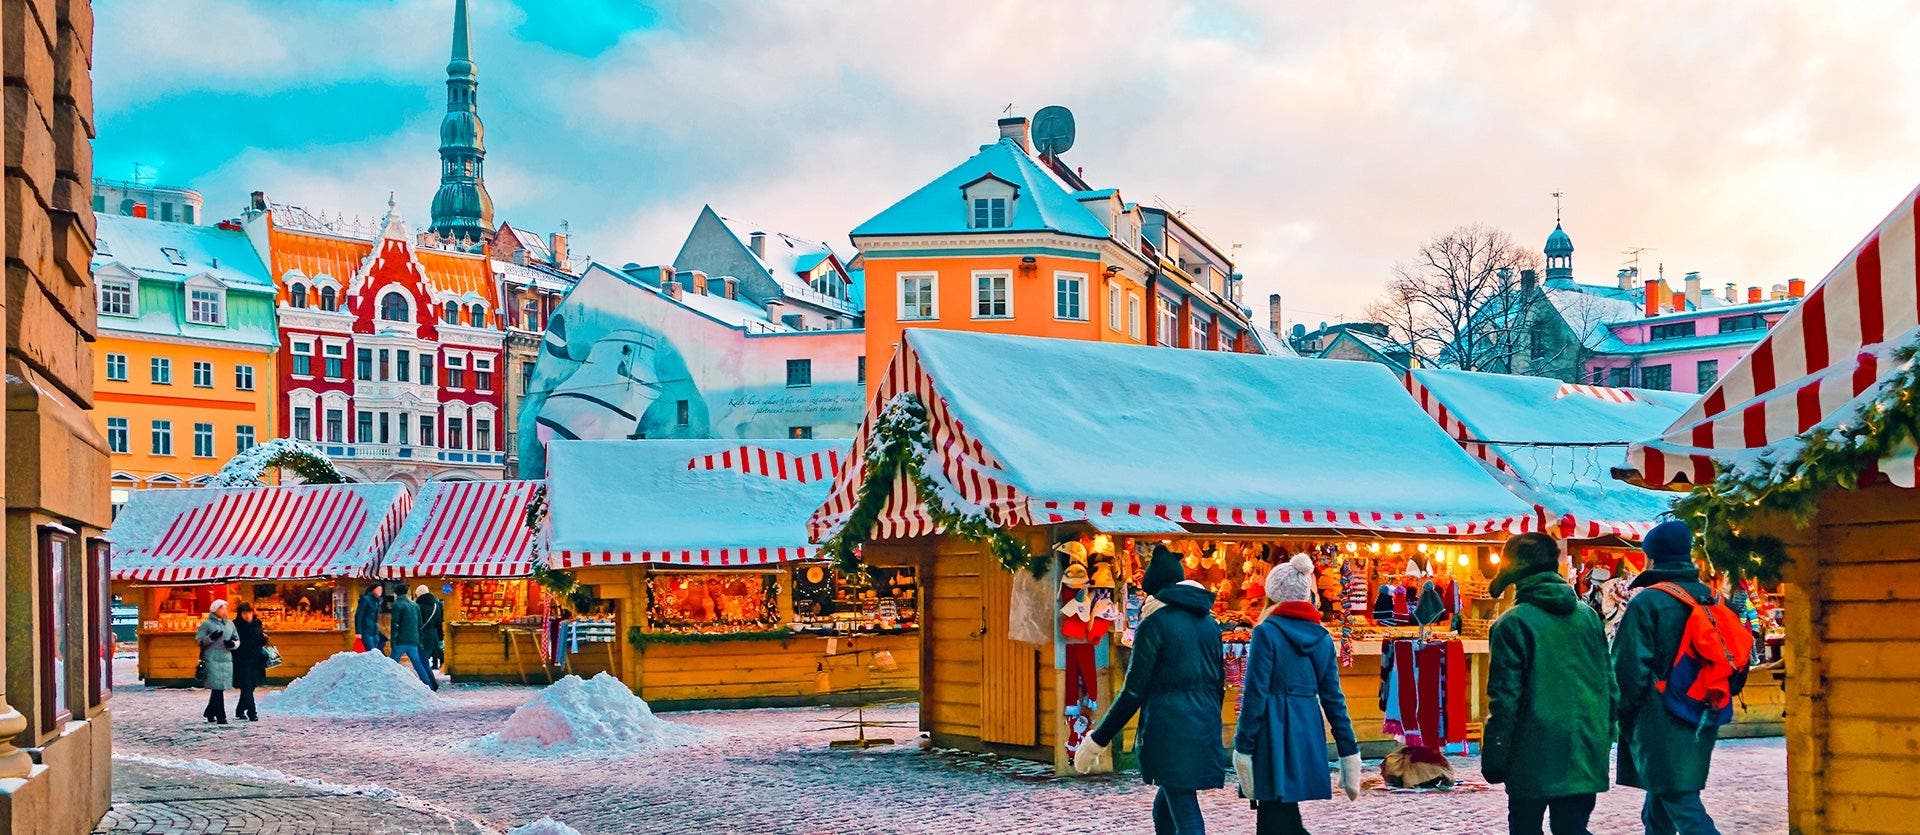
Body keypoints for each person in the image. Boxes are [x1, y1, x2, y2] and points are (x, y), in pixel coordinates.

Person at [1075, 545, 1226, 835]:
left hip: (1170, 728)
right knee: (1166, 806)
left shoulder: (1153, 624)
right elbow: (1217, 683)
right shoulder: (1209, 623)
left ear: (1153, 591)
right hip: (1203, 722)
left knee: (1184, 808)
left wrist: (1097, 740)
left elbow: (1133, 691)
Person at [1482, 533, 1615, 835]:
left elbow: (1505, 700)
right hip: (1583, 746)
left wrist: (1495, 755)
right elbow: (1609, 684)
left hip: (1532, 752)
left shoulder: (1513, 623)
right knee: (1573, 829)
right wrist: (1604, 736)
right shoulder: (1588, 617)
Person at [1615, 521, 1738, 835]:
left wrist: (1621, 715)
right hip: (1700, 715)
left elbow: (1627, 672)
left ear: (1652, 558)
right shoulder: (1715, 600)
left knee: (1681, 804)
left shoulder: (1648, 602)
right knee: (1659, 808)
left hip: (1659, 720)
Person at [1233, 554, 1361, 835]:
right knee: (1281, 817)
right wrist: (1348, 752)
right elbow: (1333, 698)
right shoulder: (1322, 636)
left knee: (1273, 818)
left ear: (1273, 595)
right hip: (1306, 728)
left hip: (1272, 730)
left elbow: (1255, 694)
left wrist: (1243, 747)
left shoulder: (1266, 632)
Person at [194, 600, 239, 724]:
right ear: (215, 610)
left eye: (225, 608)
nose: (225, 611)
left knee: (218, 688)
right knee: (218, 688)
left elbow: (236, 639)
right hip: (212, 659)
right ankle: (221, 716)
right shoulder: (207, 624)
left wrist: (233, 644)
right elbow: (199, 640)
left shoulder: (230, 624)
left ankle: (210, 711)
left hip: (226, 658)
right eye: (222, 609)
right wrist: (210, 638)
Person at [387, 585, 437, 691]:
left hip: (401, 640)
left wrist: (393, 641)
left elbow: (395, 624)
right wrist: (419, 640)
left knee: (391, 663)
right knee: (418, 664)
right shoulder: (414, 605)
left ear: (396, 593)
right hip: (414, 640)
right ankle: (428, 686)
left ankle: (386, 686)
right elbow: (420, 624)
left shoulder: (398, 604)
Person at [230, 602, 270, 722]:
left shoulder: (257, 624)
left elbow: (260, 641)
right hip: (241, 660)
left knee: (250, 686)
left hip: (256, 660)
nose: (247, 615)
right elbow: (233, 642)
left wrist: (264, 639)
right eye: (244, 613)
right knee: (247, 685)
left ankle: (240, 710)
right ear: (240, 614)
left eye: (249, 612)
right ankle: (252, 712)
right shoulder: (235, 625)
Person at [415, 585, 446, 670]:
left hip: (423, 633)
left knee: (423, 655)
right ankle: (437, 664)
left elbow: (416, 622)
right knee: (436, 649)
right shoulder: (437, 604)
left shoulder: (418, 606)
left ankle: (426, 674)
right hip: (435, 632)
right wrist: (441, 638)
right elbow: (439, 622)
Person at [354, 584, 387, 654]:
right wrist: (358, 631)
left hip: (375, 631)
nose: (380, 591)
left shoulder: (377, 601)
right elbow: (359, 615)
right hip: (366, 631)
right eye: (378, 589)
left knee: (377, 650)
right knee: (372, 652)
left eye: (381, 589)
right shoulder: (365, 599)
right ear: (373, 590)